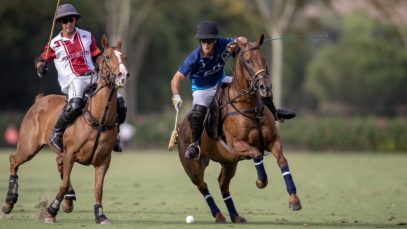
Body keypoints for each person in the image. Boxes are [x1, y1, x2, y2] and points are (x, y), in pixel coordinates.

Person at [170, 21, 296, 160]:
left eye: (210, 41)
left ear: (215, 40)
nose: (206, 44)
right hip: (202, 89)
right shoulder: (194, 58)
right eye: (203, 41)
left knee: (253, 87)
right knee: (198, 112)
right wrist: (176, 95)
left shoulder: (222, 43)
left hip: (221, 81)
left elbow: (242, 39)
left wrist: (236, 44)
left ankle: (274, 112)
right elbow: (176, 78)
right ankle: (194, 144)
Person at [35, 3, 126, 153]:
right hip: (73, 79)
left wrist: (107, 65)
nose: (68, 23)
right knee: (76, 104)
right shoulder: (55, 43)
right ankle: (56, 134)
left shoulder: (86, 36)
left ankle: (114, 135)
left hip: (93, 76)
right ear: (60, 23)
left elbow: (97, 56)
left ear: (75, 20)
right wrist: (40, 66)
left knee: (120, 102)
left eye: (71, 19)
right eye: (65, 21)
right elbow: (40, 59)